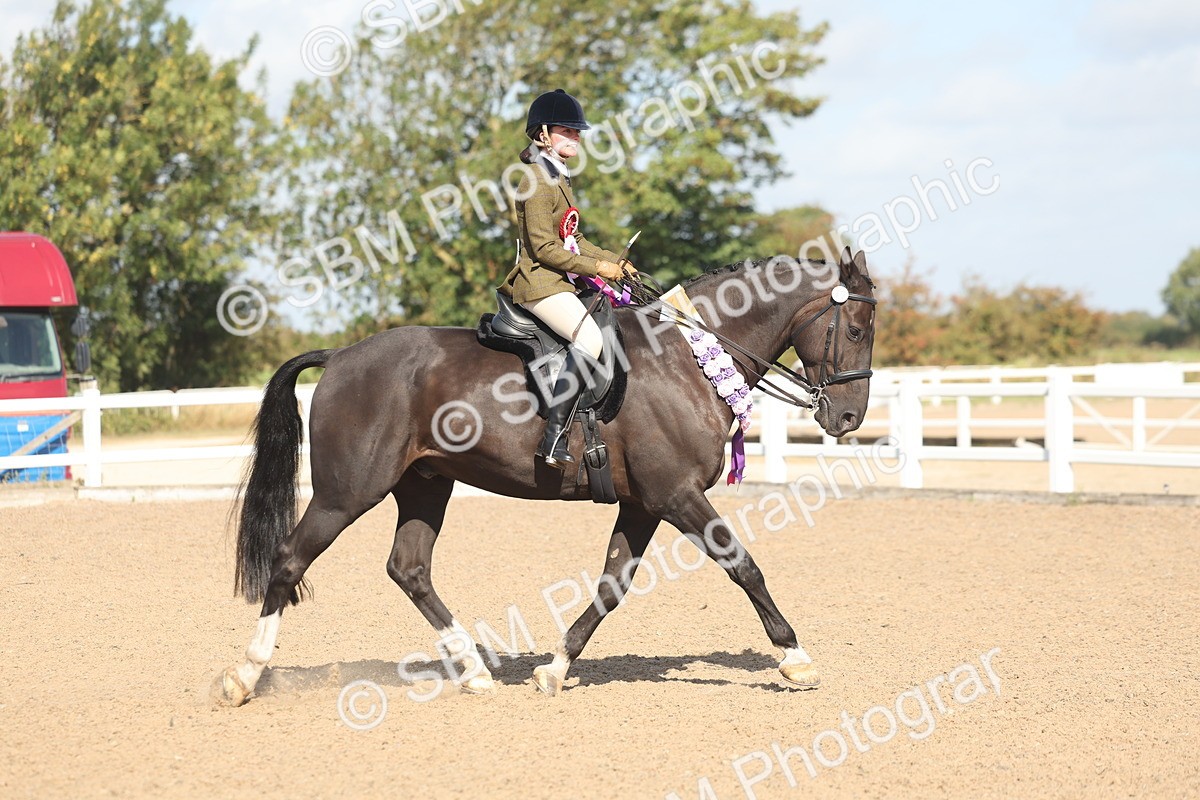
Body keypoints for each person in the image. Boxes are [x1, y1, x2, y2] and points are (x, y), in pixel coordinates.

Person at [498, 89, 636, 469]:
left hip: (558, 282)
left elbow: (574, 240)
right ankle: (554, 437)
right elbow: (544, 249)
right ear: (543, 133)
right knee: (590, 339)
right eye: (567, 131)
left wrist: (617, 263)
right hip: (539, 283)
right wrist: (600, 270)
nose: (575, 138)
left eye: (577, 133)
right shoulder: (537, 180)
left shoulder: (557, 177)